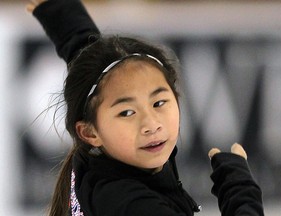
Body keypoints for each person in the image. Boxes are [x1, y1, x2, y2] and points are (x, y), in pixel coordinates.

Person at [26, 1, 264, 216]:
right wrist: (239, 189)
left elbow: (84, 55)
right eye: (127, 112)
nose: (151, 124)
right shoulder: (130, 203)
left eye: (159, 103)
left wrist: (60, 12)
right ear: (90, 132)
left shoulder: (104, 157)